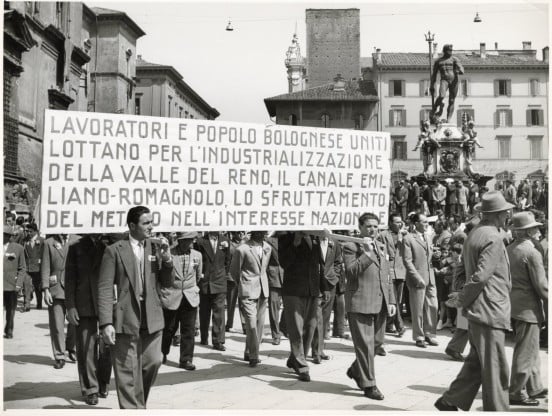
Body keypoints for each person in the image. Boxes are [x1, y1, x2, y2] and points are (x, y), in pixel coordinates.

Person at [435, 191, 514, 411]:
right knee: (495, 368)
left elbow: (466, 268)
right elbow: (481, 276)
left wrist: (461, 294)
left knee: (478, 361)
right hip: (490, 308)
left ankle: (451, 399)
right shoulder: (493, 237)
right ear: (497, 214)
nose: (509, 214)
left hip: (480, 309)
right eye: (506, 211)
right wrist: (461, 298)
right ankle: (497, 411)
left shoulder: (477, 232)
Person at [98, 206, 175, 409]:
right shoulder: (114, 250)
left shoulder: (156, 247)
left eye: (152, 222)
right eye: (146, 223)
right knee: (127, 372)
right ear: (132, 226)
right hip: (125, 317)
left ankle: (138, 405)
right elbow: (105, 288)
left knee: (153, 362)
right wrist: (106, 323)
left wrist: (167, 258)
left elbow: (167, 282)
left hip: (152, 317)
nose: (151, 226)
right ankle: (134, 409)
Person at [343, 213, 396, 400]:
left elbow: (386, 276)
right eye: (368, 226)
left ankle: (356, 370)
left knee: (377, 343)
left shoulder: (381, 246)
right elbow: (350, 272)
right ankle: (369, 385)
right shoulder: (351, 247)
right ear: (360, 227)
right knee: (365, 347)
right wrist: (366, 253)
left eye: (375, 226)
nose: (372, 230)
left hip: (380, 302)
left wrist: (391, 300)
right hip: (360, 302)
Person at [66, 234, 113, 405]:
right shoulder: (76, 246)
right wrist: (70, 306)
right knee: (86, 350)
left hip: (107, 303)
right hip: (84, 304)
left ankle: (103, 383)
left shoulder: (112, 244)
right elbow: (70, 278)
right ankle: (90, 388)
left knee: (107, 349)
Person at [507, 212, 548, 406]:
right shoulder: (532, 253)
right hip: (529, 309)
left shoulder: (509, 249)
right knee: (525, 352)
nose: (538, 230)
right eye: (535, 227)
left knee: (530, 350)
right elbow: (542, 287)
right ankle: (516, 392)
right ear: (529, 231)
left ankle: (535, 386)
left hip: (514, 306)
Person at [279, 231, 329, 382]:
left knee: (310, 327)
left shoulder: (314, 237)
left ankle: (296, 358)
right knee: (296, 329)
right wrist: (295, 242)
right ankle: (302, 365)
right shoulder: (285, 237)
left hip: (312, 290)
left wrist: (324, 286)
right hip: (293, 290)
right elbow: (284, 263)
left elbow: (319, 264)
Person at [159, 231, 202, 371]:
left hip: (190, 297)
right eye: (188, 240)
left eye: (192, 240)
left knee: (188, 330)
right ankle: (162, 353)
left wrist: (191, 288)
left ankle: (186, 359)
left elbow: (198, 275)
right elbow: (163, 275)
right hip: (172, 295)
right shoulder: (169, 253)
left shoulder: (197, 255)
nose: (191, 243)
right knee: (169, 328)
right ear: (180, 241)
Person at [230, 231, 271, 367]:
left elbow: (264, 268)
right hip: (248, 289)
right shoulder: (242, 249)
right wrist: (242, 283)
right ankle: (254, 355)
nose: (263, 233)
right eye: (261, 231)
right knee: (251, 323)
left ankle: (249, 351)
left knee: (259, 325)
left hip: (263, 290)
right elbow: (234, 271)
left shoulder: (267, 247)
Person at [42, 233, 79, 369]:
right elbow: (45, 267)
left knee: (75, 322)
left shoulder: (77, 240)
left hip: (75, 288)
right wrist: (45, 289)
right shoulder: (49, 243)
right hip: (56, 288)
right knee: (57, 325)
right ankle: (59, 355)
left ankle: (71, 348)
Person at [402, 214, 438, 348]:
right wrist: (417, 277)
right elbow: (407, 261)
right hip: (417, 278)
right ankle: (419, 336)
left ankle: (430, 333)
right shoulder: (408, 238)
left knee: (433, 306)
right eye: (424, 222)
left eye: (427, 222)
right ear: (416, 223)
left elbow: (427, 256)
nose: (427, 224)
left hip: (430, 277)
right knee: (417, 309)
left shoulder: (428, 237)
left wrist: (435, 255)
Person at [196, 231, 232, 351]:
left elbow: (228, 260)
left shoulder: (225, 240)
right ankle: (204, 336)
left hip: (219, 280)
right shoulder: (201, 241)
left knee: (219, 312)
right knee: (204, 311)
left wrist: (222, 274)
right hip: (205, 281)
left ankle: (218, 341)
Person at [311, 234, 342, 363]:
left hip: (330, 284)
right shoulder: (312, 240)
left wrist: (335, 276)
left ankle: (319, 348)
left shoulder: (334, 242)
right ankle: (316, 351)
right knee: (316, 318)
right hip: (314, 283)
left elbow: (338, 262)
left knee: (324, 318)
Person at [380, 213, 407, 338]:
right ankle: (400, 326)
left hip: (400, 270)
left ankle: (389, 324)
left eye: (401, 222)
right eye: (397, 222)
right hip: (389, 269)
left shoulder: (405, 235)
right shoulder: (383, 235)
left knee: (398, 301)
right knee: (393, 299)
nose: (399, 224)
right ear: (390, 223)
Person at [430, 44, 465, 122]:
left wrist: (459, 71)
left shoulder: (455, 59)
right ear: (444, 51)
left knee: (452, 100)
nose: (450, 52)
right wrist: (431, 85)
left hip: (454, 80)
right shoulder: (438, 61)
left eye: (451, 50)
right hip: (444, 80)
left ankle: (448, 119)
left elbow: (462, 70)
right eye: (449, 50)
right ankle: (435, 107)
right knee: (442, 96)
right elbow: (434, 74)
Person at [3, 226, 26, 339]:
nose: (4, 236)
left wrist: (19, 284)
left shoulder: (18, 248)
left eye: (6, 235)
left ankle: (9, 329)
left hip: (11, 285)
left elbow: (22, 268)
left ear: (10, 236)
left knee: (10, 310)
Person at [266, 233, 285, 345]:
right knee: (274, 308)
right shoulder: (269, 241)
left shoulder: (292, 238)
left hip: (289, 277)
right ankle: (276, 334)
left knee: (290, 307)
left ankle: (283, 328)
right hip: (274, 278)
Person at [226, 231, 246, 333]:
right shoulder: (230, 245)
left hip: (243, 276)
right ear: (233, 234)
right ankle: (229, 323)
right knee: (231, 302)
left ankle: (245, 325)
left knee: (243, 302)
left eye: (243, 232)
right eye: (238, 232)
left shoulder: (246, 243)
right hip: (232, 276)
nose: (241, 234)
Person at [22, 223, 44, 310]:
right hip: (27, 267)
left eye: (30, 231)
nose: (28, 233)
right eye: (27, 231)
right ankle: (26, 305)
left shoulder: (42, 241)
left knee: (38, 287)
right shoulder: (25, 241)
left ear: (35, 231)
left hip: (38, 268)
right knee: (26, 286)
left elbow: (44, 254)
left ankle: (39, 303)